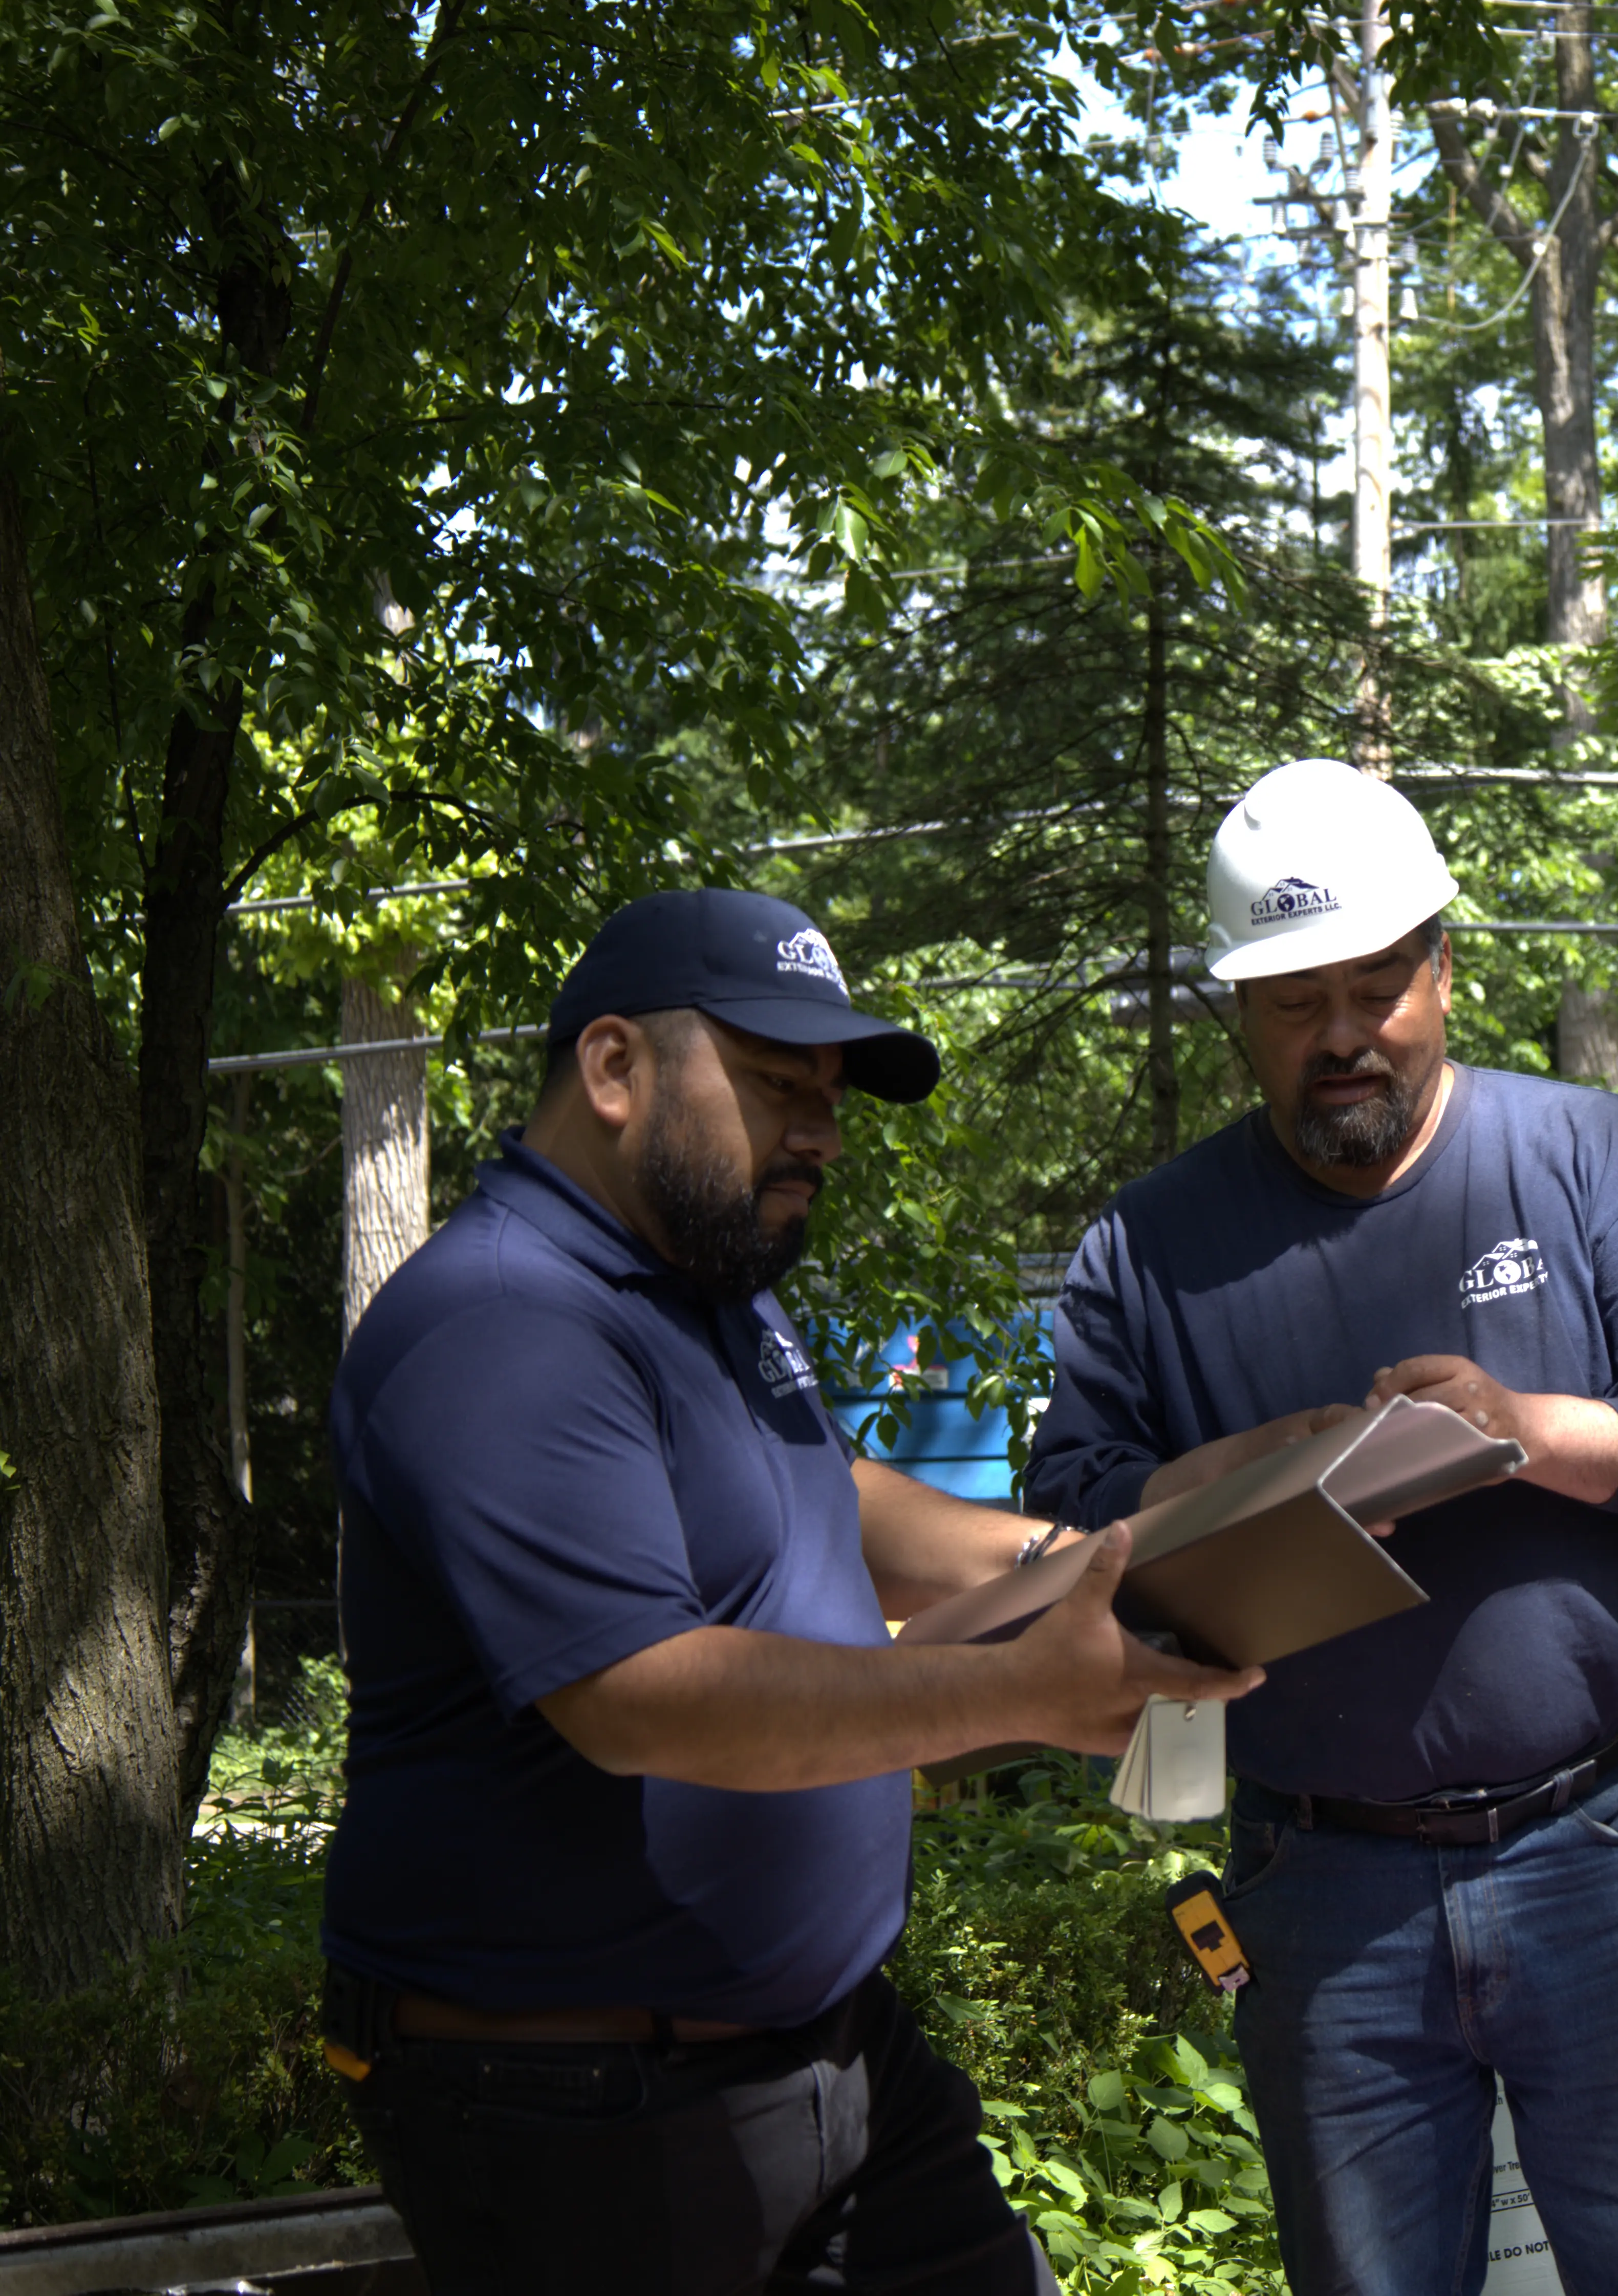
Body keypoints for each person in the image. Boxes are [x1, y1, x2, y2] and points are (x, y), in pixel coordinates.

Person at [320, 888, 1258, 2296]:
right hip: (579, 2109)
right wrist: (1019, 1692)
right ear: (616, 1069)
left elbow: (826, 1495)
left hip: (832, 2056)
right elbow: (642, 1698)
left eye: (828, 1095)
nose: (818, 1130)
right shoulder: (502, 1325)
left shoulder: (709, 1283)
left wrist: (1069, 1565)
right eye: (774, 1084)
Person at [1029, 759, 1618, 2296]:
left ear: (1442, 970)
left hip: (1600, 1846)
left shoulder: (1592, 1161)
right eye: (1292, 1002)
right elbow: (1062, 1529)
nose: (1339, 1038)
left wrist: (1521, 1434)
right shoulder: (1149, 1248)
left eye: (1375, 987)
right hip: (1319, 1886)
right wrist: (1244, 1471)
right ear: (1235, 1014)